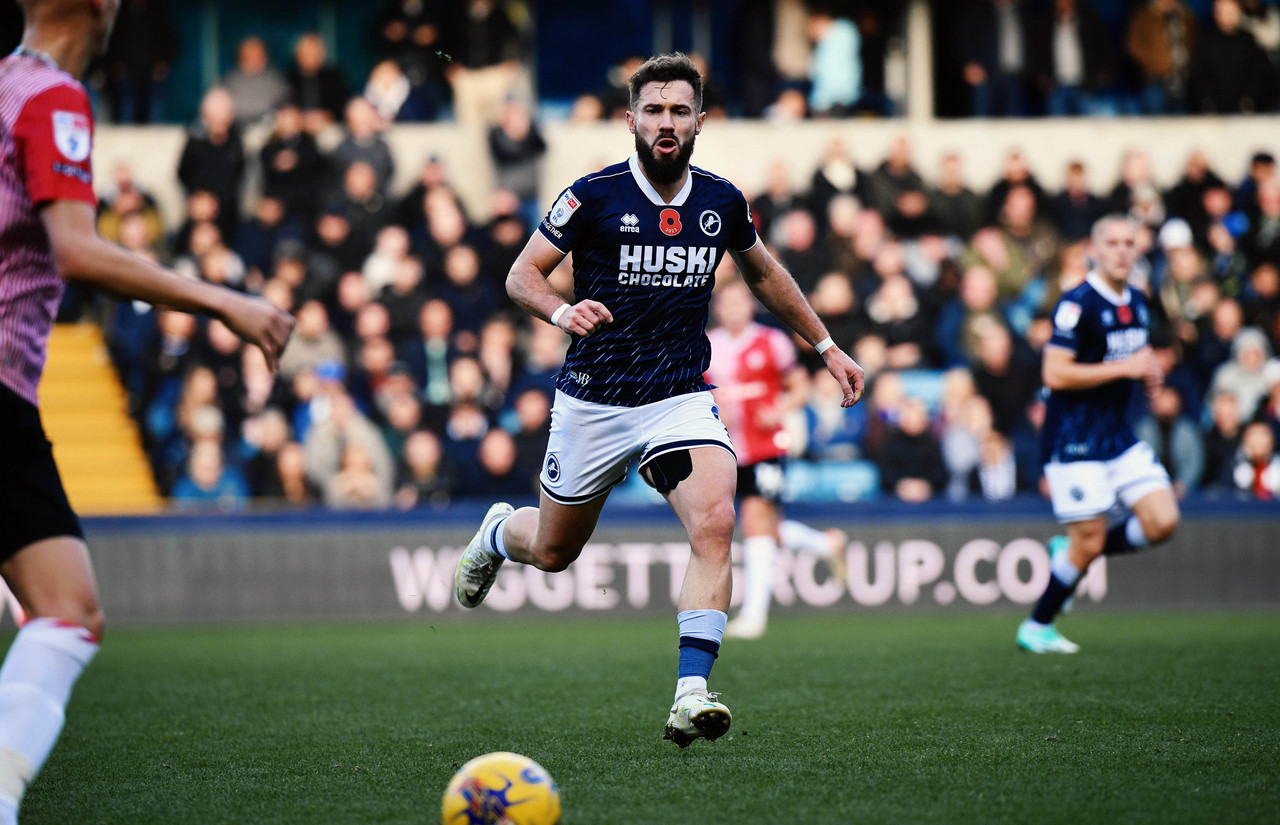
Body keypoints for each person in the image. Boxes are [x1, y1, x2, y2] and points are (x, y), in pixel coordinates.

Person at [451, 54, 865, 748]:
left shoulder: (722, 202)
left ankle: (690, 691)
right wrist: (560, 314)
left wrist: (825, 344)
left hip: (677, 394)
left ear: (700, 120)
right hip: (593, 401)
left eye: (679, 110)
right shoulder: (591, 195)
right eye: (653, 110)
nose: (665, 122)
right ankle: (499, 532)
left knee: (716, 519)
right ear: (631, 119)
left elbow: (763, 272)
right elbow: (521, 276)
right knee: (553, 551)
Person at [0, 4, 295, 822]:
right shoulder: (50, 97)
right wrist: (222, 300)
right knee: (66, 611)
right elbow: (75, 248)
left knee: (64, 603)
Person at [1017, 215, 1181, 654]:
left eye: (1130, 242)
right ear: (1094, 248)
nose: (1123, 250)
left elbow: (1133, 354)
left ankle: (1069, 553)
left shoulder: (1139, 300)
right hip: (1075, 441)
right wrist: (1124, 368)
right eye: (1113, 243)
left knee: (1163, 521)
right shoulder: (1077, 303)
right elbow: (1054, 372)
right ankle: (1037, 626)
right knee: (1086, 544)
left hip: (1118, 436)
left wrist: (1147, 373)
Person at [704, 280, 847, 640]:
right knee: (764, 528)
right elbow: (694, 389)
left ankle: (754, 616)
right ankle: (824, 544)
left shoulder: (773, 342)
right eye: (728, 303)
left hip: (766, 446)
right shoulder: (707, 345)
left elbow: (799, 387)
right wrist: (712, 408)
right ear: (718, 308)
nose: (734, 309)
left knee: (754, 519)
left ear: (750, 307)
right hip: (724, 447)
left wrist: (778, 408)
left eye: (741, 302)